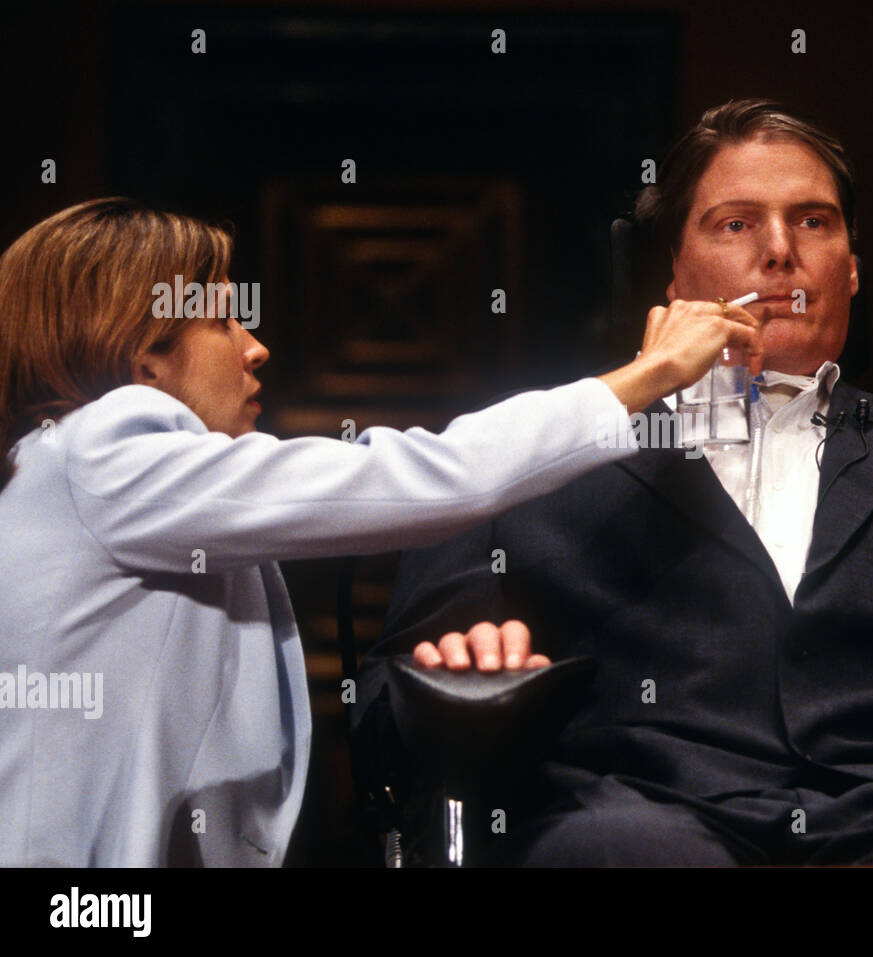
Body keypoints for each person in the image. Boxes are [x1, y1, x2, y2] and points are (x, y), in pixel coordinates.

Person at [358, 99, 873, 865]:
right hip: (642, 815)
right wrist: (455, 673)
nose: (781, 251)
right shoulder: (533, 460)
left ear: (851, 267)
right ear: (673, 276)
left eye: (813, 221)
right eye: (736, 223)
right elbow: (384, 706)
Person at [0, 197, 760, 866]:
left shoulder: (90, 478)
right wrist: (649, 374)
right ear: (144, 359)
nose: (254, 346)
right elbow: (432, 477)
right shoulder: (108, 446)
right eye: (221, 318)